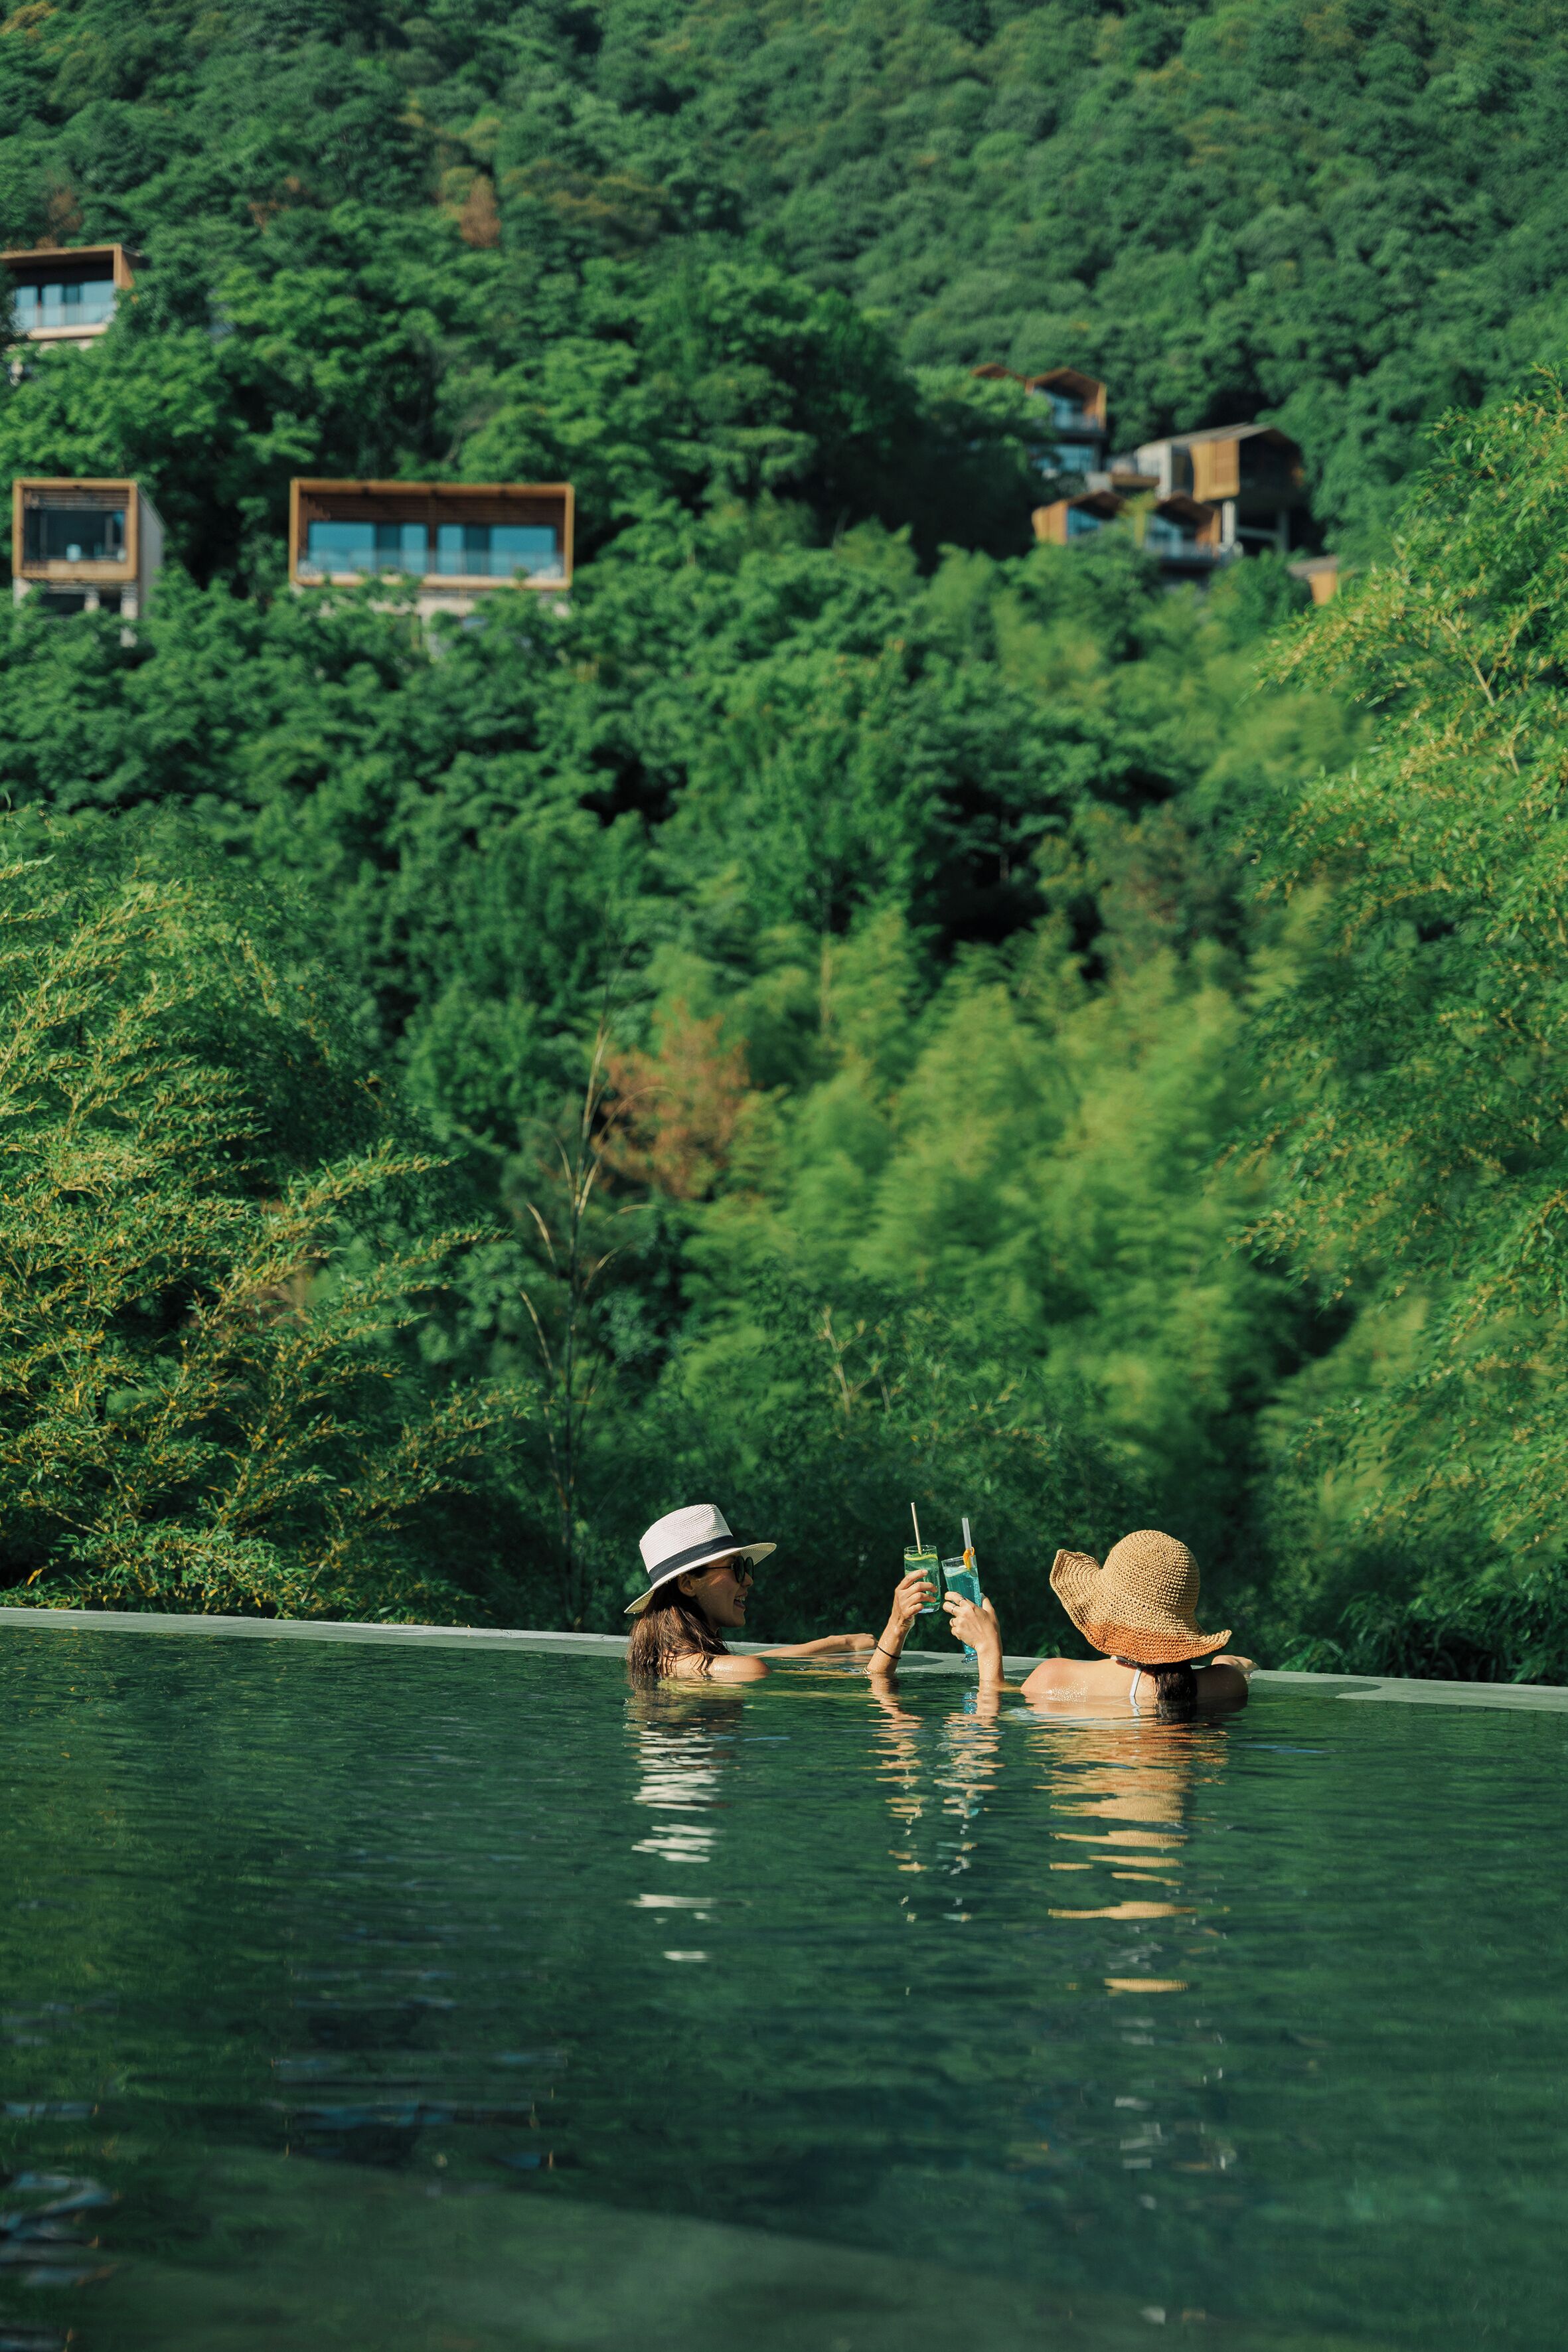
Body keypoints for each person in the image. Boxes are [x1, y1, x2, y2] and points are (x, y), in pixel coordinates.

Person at [935, 1529, 1253, 1718]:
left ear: (1105, 1609)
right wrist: (1225, 1663)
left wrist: (988, 1648)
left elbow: (992, 1715)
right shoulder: (1227, 1685)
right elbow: (1230, 1672)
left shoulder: (1053, 1679)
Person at [625, 1502, 880, 1682]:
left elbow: (754, 1658)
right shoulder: (744, 1671)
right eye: (735, 1567)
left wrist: (837, 1643)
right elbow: (872, 1684)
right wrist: (898, 1626)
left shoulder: (662, 1659)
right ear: (689, 1584)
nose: (748, 1580)